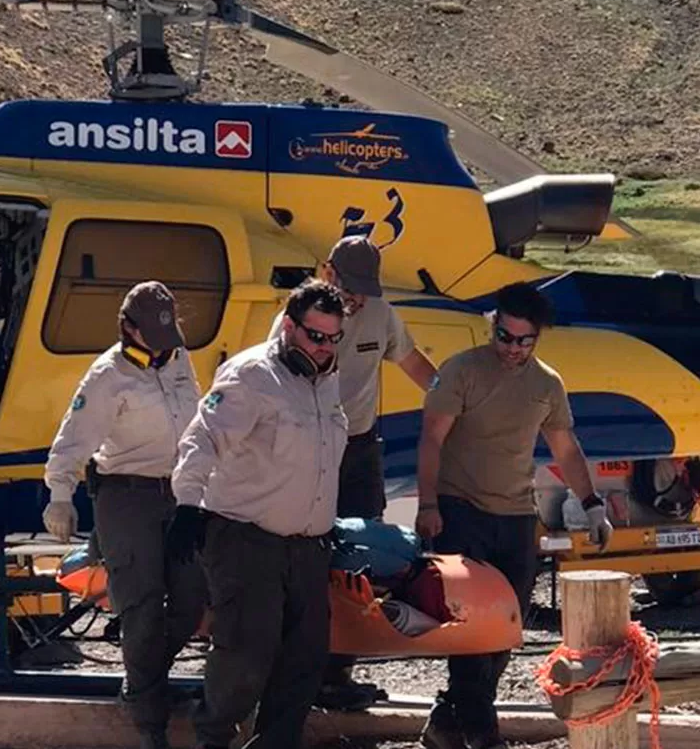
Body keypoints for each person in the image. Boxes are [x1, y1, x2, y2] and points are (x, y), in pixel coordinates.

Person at [414, 281, 613, 749]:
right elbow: (431, 440)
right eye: (505, 336)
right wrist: (427, 505)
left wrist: (591, 504)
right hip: (460, 511)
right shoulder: (461, 371)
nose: (513, 348)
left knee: (506, 629)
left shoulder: (547, 383)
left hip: (516, 515)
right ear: (493, 327)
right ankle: (484, 736)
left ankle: (447, 723)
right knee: (469, 629)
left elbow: (566, 448)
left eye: (525, 340)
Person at [170, 280, 348, 749]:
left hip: (308, 546)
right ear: (289, 327)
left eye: (334, 338)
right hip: (247, 539)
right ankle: (213, 738)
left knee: (304, 661)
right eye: (315, 336)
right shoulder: (250, 375)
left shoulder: (327, 382)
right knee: (246, 655)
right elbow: (202, 438)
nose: (325, 347)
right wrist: (188, 503)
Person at [268, 235, 436, 707]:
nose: (356, 298)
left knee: (359, 561)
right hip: (305, 451)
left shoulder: (382, 315)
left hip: (359, 451)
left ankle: (338, 670)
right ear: (328, 273)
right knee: (303, 556)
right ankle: (292, 669)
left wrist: (452, 401)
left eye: (365, 289)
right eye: (350, 286)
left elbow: (414, 363)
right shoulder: (301, 315)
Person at [42, 281, 207, 749]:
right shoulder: (106, 376)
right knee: (142, 607)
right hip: (125, 495)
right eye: (152, 334)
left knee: (194, 595)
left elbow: (197, 419)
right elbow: (72, 440)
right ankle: (150, 723)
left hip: (180, 492)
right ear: (128, 328)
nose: (161, 344)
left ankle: (142, 679)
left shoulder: (179, 358)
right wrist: (59, 495)